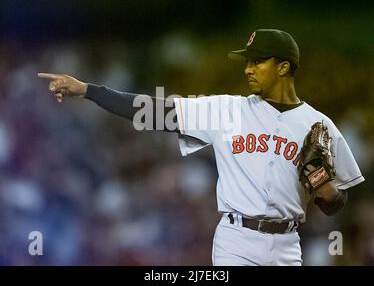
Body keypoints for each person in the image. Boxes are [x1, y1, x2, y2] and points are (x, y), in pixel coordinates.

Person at [38, 28, 365, 266]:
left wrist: (327, 191)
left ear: (283, 67)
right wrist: (89, 91)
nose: (248, 68)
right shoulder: (227, 109)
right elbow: (156, 112)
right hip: (236, 240)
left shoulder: (319, 125)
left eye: (258, 61)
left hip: (288, 244)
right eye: (247, 61)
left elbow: (337, 204)